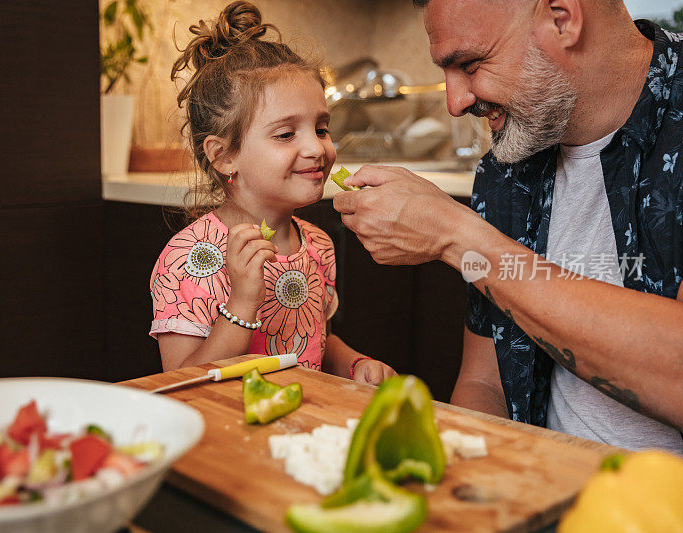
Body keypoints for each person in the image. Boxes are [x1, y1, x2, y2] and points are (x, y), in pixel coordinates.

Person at [333, 0, 683, 452]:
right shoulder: (507, 166)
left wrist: (459, 237)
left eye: (471, 64)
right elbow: (487, 385)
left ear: (562, 19)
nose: (455, 103)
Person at [150, 1, 396, 385]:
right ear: (224, 155)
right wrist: (243, 302)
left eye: (321, 128)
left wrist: (353, 363)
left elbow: (312, 342)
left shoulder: (317, 244)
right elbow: (181, 382)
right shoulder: (188, 259)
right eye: (286, 134)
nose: (317, 149)